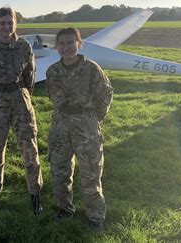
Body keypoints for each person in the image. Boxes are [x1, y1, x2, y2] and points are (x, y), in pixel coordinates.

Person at [0, 6, 43, 215]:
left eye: (10, 22)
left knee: (29, 149)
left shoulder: (24, 47)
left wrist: (21, 94)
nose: (6, 27)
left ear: (16, 24)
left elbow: (30, 75)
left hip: (20, 101)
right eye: (2, 23)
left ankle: (35, 195)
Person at [45, 27, 113, 234]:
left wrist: (92, 119)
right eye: (61, 44)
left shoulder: (92, 69)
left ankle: (95, 217)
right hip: (60, 126)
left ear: (79, 44)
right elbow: (52, 97)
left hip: (86, 127)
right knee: (59, 172)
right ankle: (65, 209)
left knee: (91, 173)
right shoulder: (52, 71)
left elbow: (105, 94)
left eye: (70, 43)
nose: (66, 47)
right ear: (57, 47)